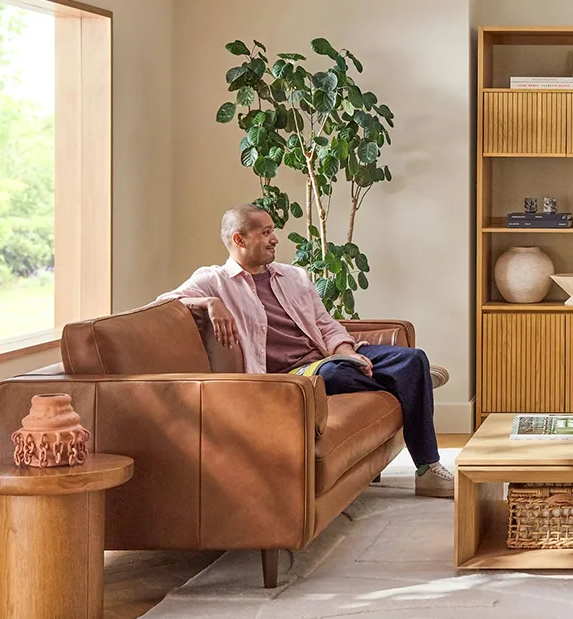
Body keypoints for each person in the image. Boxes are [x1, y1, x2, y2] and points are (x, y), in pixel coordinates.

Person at [157, 204, 455, 498]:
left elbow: (326, 324)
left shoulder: (293, 276)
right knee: (336, 375)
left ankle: (428, 468)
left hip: (328, 357)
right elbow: (164, 303)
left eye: (272, 231)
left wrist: (345, 350)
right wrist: (211, 303)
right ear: (239, 239)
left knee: (413, 358)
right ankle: (413, 382)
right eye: (266, 232)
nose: (275, 238)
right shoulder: (214, 280)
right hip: (294, 376)